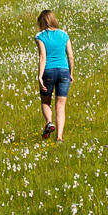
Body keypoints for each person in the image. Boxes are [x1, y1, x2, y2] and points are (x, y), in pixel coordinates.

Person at [34, 9, 72, 141]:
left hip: (48, 71)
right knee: (61, 106)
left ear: (41, 22)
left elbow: (43, 57)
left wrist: (40, 76)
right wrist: (71, 73)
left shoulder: (41, 36)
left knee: (45, 102)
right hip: (64, 71)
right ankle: (59, 138)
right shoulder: (64, 35)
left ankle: (49, 122)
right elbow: (71, 56)